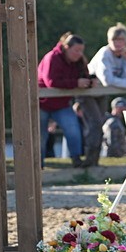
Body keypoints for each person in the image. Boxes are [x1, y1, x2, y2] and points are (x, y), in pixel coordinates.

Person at [37, 33, 96, 167]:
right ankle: (38, 165)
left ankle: (76, 160)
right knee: (41, 136)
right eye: (76, 50)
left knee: (73, 130)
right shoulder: (52, 57)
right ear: (66, 47)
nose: (79, 54)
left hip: (62, 104)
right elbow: (51, 82)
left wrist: (90, 82)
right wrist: (76, 83)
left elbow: (84, 76)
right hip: (42, 103)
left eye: (81, 50)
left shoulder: (79, 61)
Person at [88, 23, 126, 88]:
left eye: (121, 40)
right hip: (89, 91)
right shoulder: (104, 53)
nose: (117, 43)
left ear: (125, 41)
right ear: (109, 41)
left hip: (108, 92)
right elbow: (107, 81)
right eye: (114, 39)